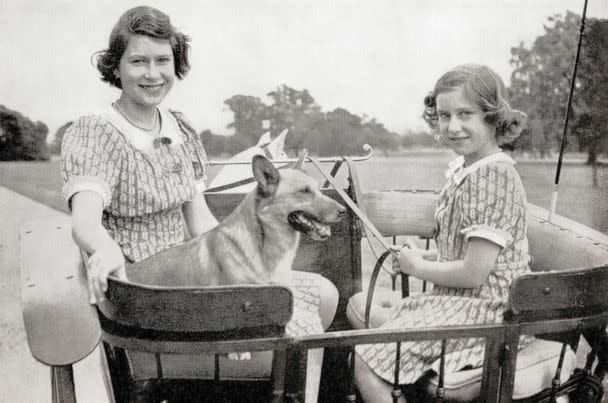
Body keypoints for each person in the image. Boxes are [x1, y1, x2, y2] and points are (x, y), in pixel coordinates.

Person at [60, 5, 337, 339]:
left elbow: (200, 223)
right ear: (116, 68)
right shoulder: (96, 132)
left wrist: (250, 263)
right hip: (145, 292)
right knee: (289, 329)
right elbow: (85, 224)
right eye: (138, 61)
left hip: (196, 275)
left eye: (162, 60)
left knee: (324, 295)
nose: (152, 73)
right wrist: (106, 250)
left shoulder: (179, 129)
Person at [350, 64, 531, 402]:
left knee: (363, 360)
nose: (454, 126)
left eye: (466, 114)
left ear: (492, 116)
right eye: (445, 115)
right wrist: (422, 258)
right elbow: (464, 253)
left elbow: (475, 274)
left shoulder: (493, 177)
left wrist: (417, 268)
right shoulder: (470, 171)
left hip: (486, 314)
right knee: (366, 318)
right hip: (460, 303)